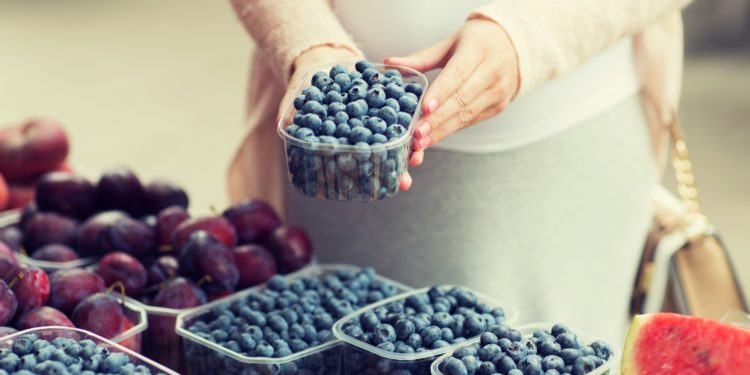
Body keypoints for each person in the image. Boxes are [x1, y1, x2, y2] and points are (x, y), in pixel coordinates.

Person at [226, 0, 693, 344]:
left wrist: (527, 36)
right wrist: (310, 42)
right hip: (340, 165)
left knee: (552, 347)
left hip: (564, 157)